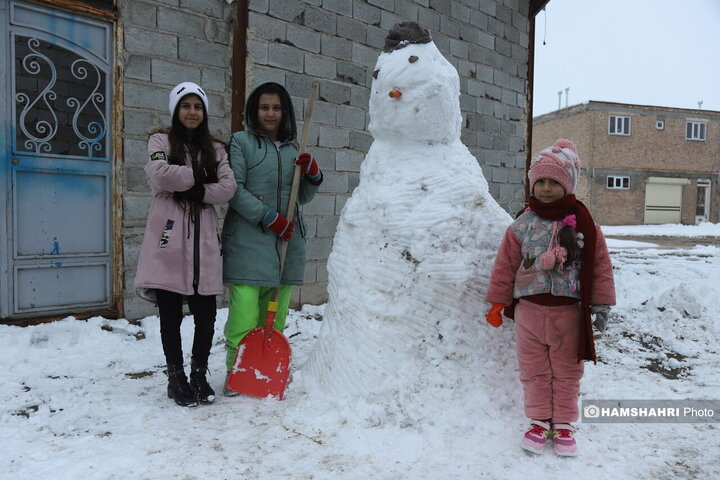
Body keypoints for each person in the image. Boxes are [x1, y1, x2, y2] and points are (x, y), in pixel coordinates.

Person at [484, 139, 616, 456]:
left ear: (567, 184)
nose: (545, 188)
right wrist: (498, 302)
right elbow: (505, 266)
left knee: (567, 371)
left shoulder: (586, 226)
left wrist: (601, 304)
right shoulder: (521, 225)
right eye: (540, 181)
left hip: (569, 313)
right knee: (533, 370)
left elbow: (599, 267)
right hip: (529, 311)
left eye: (553, 182)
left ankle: (565, 424)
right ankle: (539, 421)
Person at [134, 82, 237, 407]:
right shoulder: (160, 140)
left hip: (204, 241)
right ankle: (175, 376)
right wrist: (200, 174)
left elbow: (228, 187)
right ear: (176, 110)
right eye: (185, 105)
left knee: (206, 314)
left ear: (203, 112)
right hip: (169, 240)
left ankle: (199, 373)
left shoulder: (216, 148)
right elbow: (160, 174)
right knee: (170, 315)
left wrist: (195, 190)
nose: (191, 112)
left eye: (197, 106)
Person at [221, 82, 322, 394]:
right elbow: (234, 189)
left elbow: (300, 197)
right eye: (264, 107)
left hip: (286, 242)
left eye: (276, 108)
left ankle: (265, 369)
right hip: (249, 239)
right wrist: (268, 217)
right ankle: (236, 373)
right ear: (255, 109)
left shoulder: (294, 148)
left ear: (284, 112)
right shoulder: (240, 142)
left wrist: (313, 174)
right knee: (245, 312)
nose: (270, 113)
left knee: (274, 315)